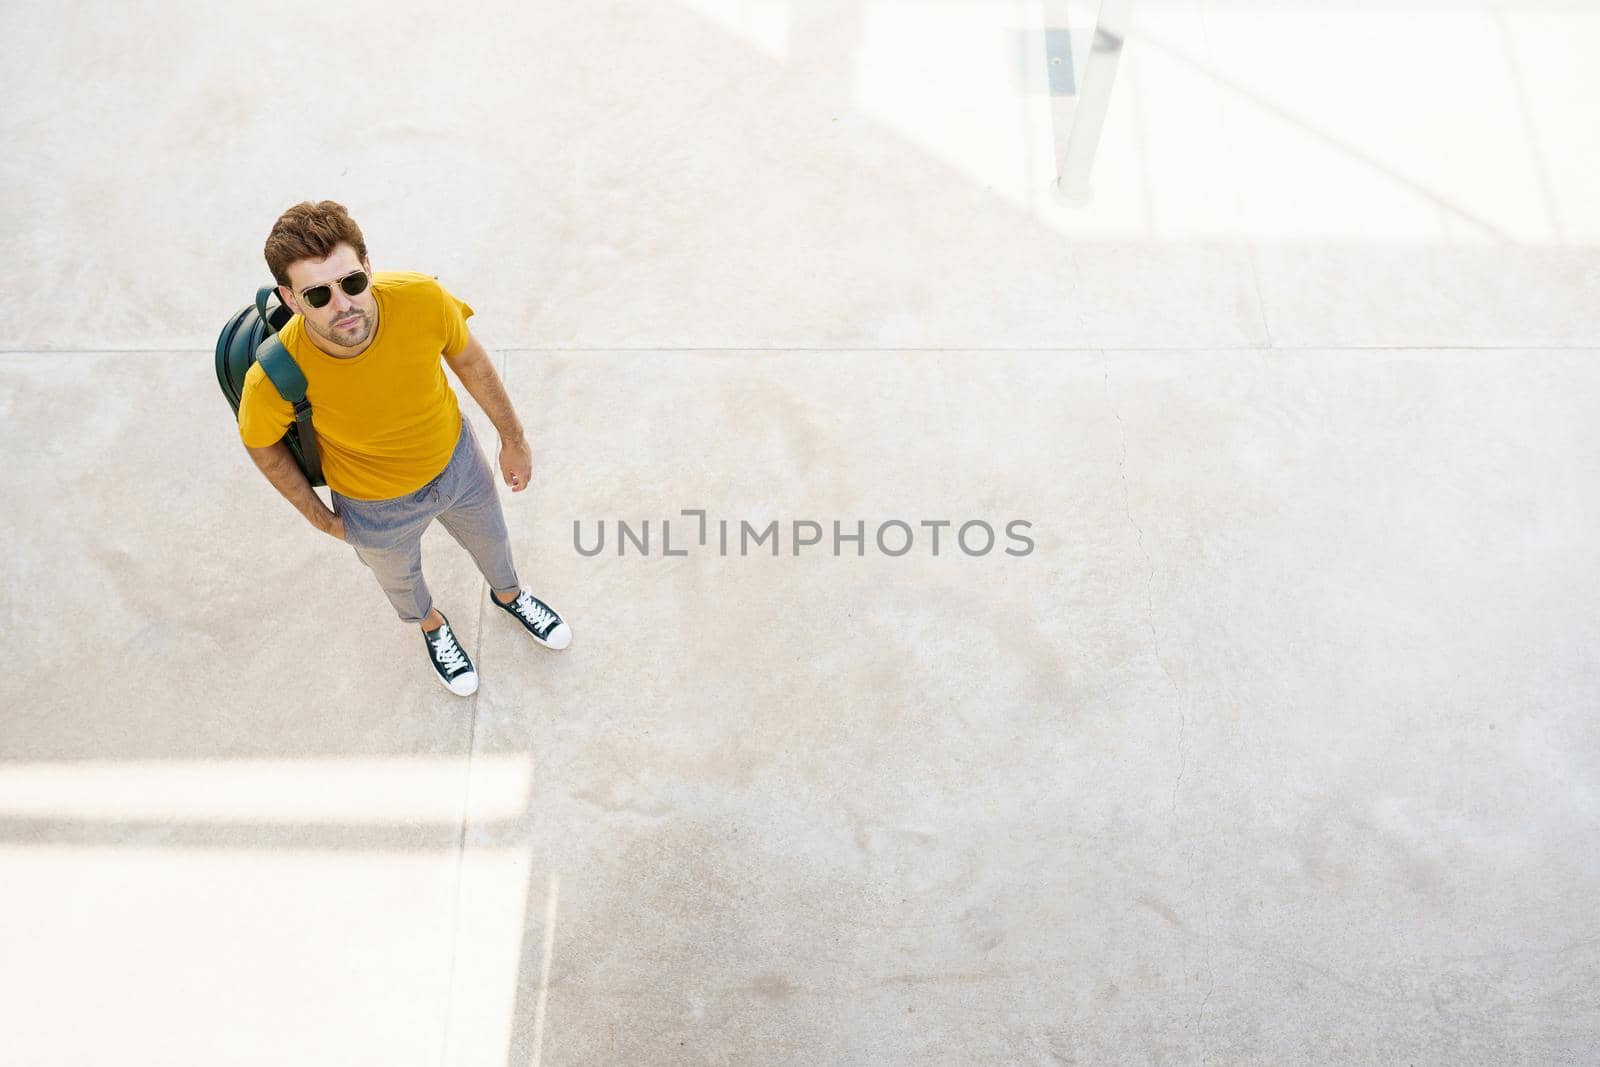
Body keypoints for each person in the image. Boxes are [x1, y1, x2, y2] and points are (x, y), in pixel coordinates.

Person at [238, 200, 570, 696]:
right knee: (402, 585)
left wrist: (513, 440)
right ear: (290, 298)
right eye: (318, 294)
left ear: (368, 267)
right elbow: (263, 447)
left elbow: (472, 363)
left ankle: (510, 594)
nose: (343, 305)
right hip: (372, 507)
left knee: (493, 542)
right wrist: (320, 517)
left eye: (352, 282)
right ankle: (432, 626)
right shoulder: (273, 376)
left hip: (458, 465)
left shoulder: (422, 299)